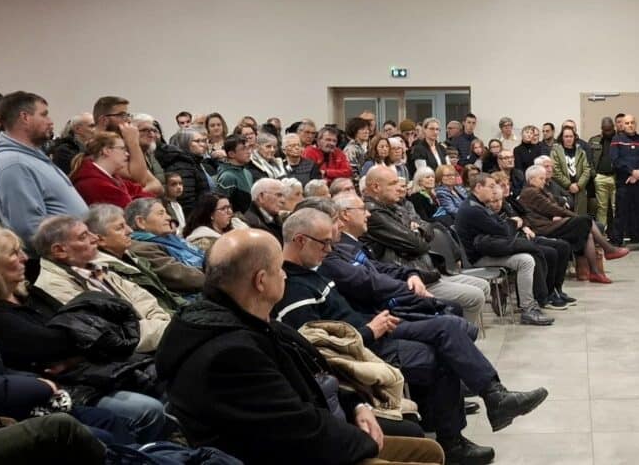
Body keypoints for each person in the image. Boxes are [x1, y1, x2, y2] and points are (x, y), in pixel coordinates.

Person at [155, 228, 449, 465]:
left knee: (429, 452)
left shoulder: (248, 320)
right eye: (278, 269)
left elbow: (313, 376)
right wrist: (364, 442)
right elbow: (298, 432)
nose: (284, 274)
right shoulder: (230, 352)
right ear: (261, 281)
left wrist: (356, 405)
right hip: (289, 453)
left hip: (315, 433)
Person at [279, 208, 544, 465]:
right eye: (324, 243)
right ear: (301, 240)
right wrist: (371, 330)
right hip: (363, 347)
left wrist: (411, 276)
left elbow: (377, 274)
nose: (328, 249)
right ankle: (466, 426)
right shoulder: (296, 286)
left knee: (449, 334)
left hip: (373, 329)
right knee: (445, 343)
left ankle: (480, 409)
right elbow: (318, 348)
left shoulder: (313, 269)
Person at [0, 226, 172, 444]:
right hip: (63, 389)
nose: (24, 258)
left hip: (91, 369)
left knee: (168, 375)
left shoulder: (31, 293)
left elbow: (89, 329)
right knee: (146, 410)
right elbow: (53, 345)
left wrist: (80, 348)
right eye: (13, 253)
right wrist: (85, 339)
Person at [361, 167, 489, 327]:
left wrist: (417, 230)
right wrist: (416, 232)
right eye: (393, 183)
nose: (399, 187)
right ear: (376, 187)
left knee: (483, 286)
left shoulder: (395, 206)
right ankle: (461, 337)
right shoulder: (373, 213)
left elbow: (427, 226)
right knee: (475, 296)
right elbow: (418, 245)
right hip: (409, 278)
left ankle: (460, 336)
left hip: (424, 270)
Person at [31, 215, 173, 353]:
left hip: (155, 337)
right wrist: (168, 330)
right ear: (60, 251)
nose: (95, 238)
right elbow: (111, 333)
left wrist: (163, 324)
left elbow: (143, 298)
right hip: (127, 355)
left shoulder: (96, 267)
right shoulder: (54, 286)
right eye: (83, 236)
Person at [0, 92, 87, 245]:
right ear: (25, 117)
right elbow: (28, 227)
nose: (50, 121)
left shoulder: (29, 155)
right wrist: (72, 248)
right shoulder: (14, 163)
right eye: (44, 115)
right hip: (55, 258)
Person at [454, 175, 552, 326]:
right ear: (479, 187)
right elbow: (503, 230)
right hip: (478, 257)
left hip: (490, 249)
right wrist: (512, 222)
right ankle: (528, 309)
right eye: (491, 186)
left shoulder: (478, 204)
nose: (494, 191)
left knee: (529, 252)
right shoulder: (473, 209)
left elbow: (501, 225)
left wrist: (508, 224)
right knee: (526, 260)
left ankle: (517, 295)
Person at [519, 165, 611, 285]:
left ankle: (595, 271)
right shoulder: (530, 192)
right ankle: (607, 251)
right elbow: (552, 208)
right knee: (585, 220)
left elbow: (555, 204)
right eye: (541, 178)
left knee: (587, 231)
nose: (544, 181)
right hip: (542, 228)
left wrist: (561, 212)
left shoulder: (539, 191)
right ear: (531, 180)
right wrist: (574, 216)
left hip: (548, 223)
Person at [85, 203, 185, 313]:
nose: (130, 231)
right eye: (120, 228)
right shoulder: (104, 271)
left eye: (126, 225)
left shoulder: (131, 257)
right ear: (100, 240)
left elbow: (165, 294)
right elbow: (140, 311)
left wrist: (187, 308)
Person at [125, 197, 205, 296]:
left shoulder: (171, 238)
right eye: (161, 213)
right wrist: (219, 278)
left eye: (166, 213)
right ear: (141, 222)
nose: (168, 217)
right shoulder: (143, 249)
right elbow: (182, 277)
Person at [70, 131, 159, 209]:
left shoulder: (111, 177)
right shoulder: (95, 184)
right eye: (122, 149)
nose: (127, 154)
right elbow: (131, 213)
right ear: (106, 151)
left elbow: (146, 196)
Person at [609, 114, 639, 252]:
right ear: (622, 125)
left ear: (636, 124)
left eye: (632, 122)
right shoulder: (616, 140)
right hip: (624, 183)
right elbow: (615, 160)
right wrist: (631, 172)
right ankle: (617, 242)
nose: (630, 125)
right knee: (620, 213)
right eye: (627, 123)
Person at [157, 127, 212, 215]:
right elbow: (186, 200)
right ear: (185, 144)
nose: (203, 144)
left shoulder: (194, 162)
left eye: (203, 141)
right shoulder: (182, 165)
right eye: (197, 141)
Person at [550, 126, 592, 217]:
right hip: (562, 189)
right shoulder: (555, 151)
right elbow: (555, 171)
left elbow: (586, 170)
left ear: (574, 137)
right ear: (562, 137)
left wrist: (579, 185)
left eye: (571, 136)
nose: (569, 139)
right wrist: (569, 185)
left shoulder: (581, 151)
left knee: (579, 217)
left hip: (579, 190)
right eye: (566, 136)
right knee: (565, 216)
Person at [214, 134, 255, 213]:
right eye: (243, 149)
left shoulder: (247, 172)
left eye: (249, 148)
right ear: (231, 154)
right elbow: (221, 207)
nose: (249, 152)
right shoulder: (227, 177)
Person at [49, 112, 94, 176]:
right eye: (92, 126)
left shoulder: (92, 148)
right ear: (77, 129)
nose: (96, 129)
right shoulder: (64, 151)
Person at [244, 177, 286, 242]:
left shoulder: (275, 218)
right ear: (261, 197)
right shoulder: (250, 223)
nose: (283, 200)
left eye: (283, 196)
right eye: (278, 195)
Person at [130, 114, 167, 185]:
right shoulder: (127, 155)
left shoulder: (150, 154)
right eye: (145, 130)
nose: (152, 134)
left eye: (153, 130)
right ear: (133, 132)